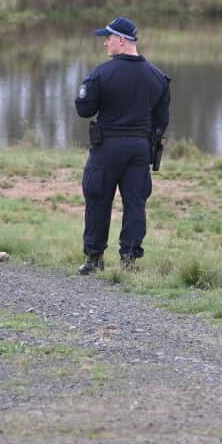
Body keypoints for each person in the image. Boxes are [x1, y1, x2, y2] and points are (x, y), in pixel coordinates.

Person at [74, 16, 171, 274]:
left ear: (121, 40)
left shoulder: (102, 73)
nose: (105, 44)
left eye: (108, 39)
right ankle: (129, 259)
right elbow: (162, 120)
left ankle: (94, 258)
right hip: (140, 148)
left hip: (107, 147)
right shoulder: (158, 77)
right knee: (135, 203)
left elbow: (84, 109)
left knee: (97, 198)